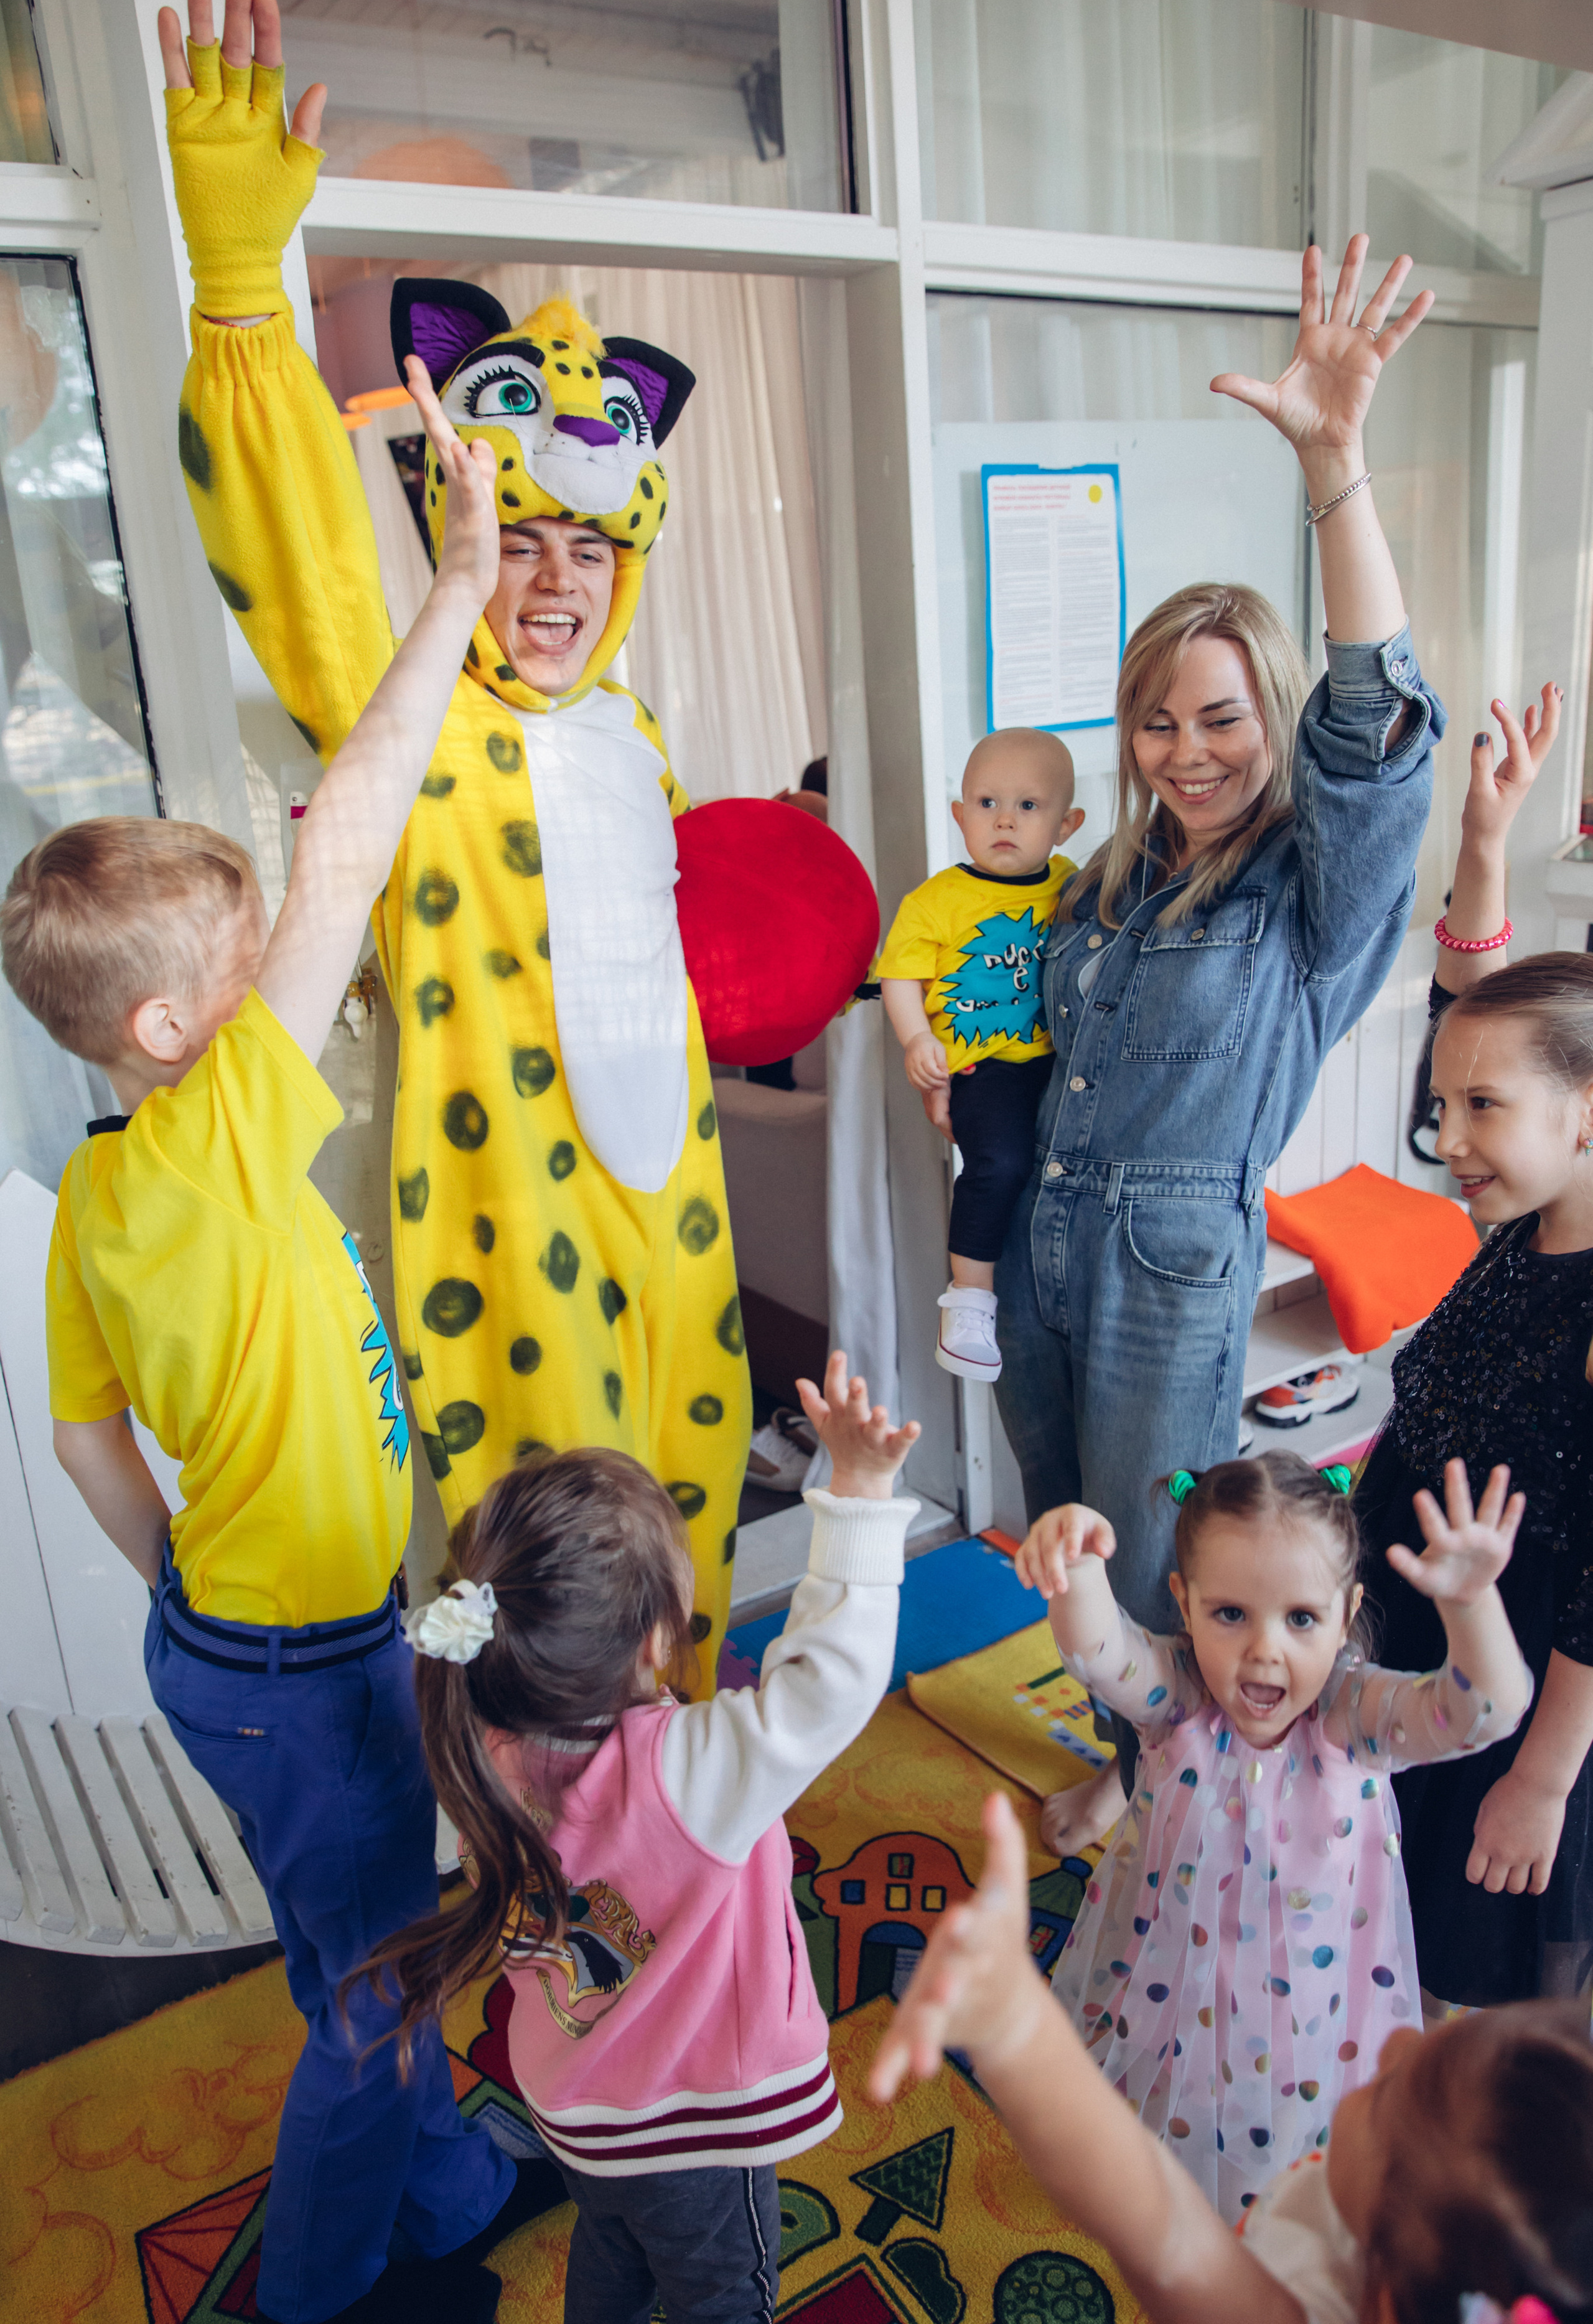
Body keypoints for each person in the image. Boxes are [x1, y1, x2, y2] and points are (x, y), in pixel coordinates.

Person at [157, 0, 839, 1685]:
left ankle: (672, 1762)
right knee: (519, 1548)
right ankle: (511, 1822)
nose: (551, 582)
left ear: (630, 570)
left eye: (587, 550)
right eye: (518, 539)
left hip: (670, 1196)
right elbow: (303, 562)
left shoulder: (633, 727)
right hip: (491, 1213)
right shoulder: (408, 710)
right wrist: (244, 293)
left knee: (676, 1505)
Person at [1, 372, 549, 2322]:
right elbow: (355, 836)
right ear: (168, 1035)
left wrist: (198, 1602)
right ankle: (324, 2287)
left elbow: (82, 1451)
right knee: (378, 1983)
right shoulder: (227, 1122)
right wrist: (457, 579)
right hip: (305, 1669)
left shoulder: (96, 1196)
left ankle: (457, 2167)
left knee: (372, 1909)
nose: (276, 1000)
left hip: (252, 1647)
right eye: (238, 985)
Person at [995, 238, 1443, 1857]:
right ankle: (1136, 1743)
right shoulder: (1107, 882)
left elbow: (1374, 731)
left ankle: (1155, 1785)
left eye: (1222, 718)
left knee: (1159, 1564)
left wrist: (1334, 467)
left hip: (1176, 1258)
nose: (1186, 753)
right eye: (1158, 720)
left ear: (1271, 718)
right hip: (1049, 1238)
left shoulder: (1308, 897)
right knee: (1068, 1536)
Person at [348, 1352, 920, 2324]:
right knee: (721, 2296)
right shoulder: (691, 1774)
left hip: (573, 2097)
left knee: (611, 2246)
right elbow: (828, 1684)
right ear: (657, 1640)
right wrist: (859, 1497)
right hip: (692, 2124)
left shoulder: (474, 1735)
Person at [1014, 1453, 1530, 2219]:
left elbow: (1486, 1710)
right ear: (1183, 1606)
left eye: (1300, 1619)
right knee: (1152, 2103)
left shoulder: (1355, 1718)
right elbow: (1097, 1652)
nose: (1265, 1650)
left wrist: (1472, 1604)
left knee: (1282, 2134)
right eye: (1231, 1614)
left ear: (1346, 1613)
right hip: (1167, 1963)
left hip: (1308, 2006)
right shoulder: (1179, 1696)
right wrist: (1078, 1568)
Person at [869, 1789, 1593, 2324]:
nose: (1397, 2039)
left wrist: (1012, 2024)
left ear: (1383, 2293)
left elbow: (1160, 2223)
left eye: (1393, 2086)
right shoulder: (1430, 2251)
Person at [1353, 682, 1593, 2010]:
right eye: (1440, 1104)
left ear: (1585, 1113)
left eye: (1477, 1111)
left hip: (1519, 1706)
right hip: (1422, 1650)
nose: (1441, 1138)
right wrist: (1485, 836)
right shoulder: (1522, 1217)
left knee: (1468, 1984)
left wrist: (1540, 1778)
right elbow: (1480, 1015)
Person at [879, 728, 1085, 1382]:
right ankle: (967, 1300)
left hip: (1061, 1060)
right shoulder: (935, 902)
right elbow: (900, 977)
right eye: (986, 802)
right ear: (959, 814)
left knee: (1063, 1174)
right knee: (996, 1164)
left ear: (1066, 823)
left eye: (1029, 806)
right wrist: (917, 1039)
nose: (1004, 819)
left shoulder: (1072, 886)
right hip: (982, 1067)